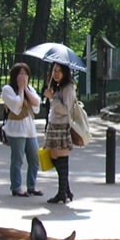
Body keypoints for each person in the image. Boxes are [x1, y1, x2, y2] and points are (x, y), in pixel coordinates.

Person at [0, 62, 43, 198]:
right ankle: (16, 186)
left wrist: (26, 90)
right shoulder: (8, 89)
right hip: (16, 130)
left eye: (26, 74)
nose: (23, 77)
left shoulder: (30, 88)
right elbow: (16, 105)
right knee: (17, 159)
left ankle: (32, 185)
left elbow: (37, 103)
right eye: (20, 73)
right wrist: (20, 89)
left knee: (34, 159)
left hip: (30, 129)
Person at [42, 62, 78, 204]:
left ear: (65, 72)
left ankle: (62, 193)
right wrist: (50, 95)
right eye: (53, 70)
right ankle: (66, 190)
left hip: (62, 126)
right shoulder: (56, 86)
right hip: (53, 125)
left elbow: (65, 109)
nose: (55, 73)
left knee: (62, 159)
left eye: (59, 70)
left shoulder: (68, 88)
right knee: (53, 156)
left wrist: (52, 98)